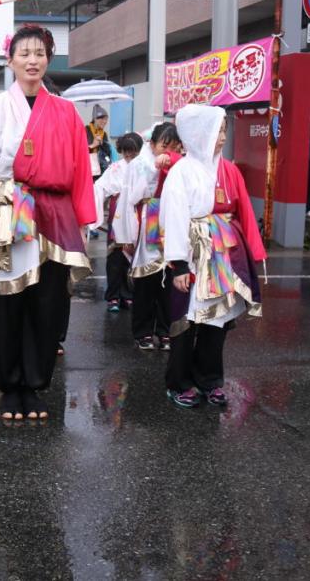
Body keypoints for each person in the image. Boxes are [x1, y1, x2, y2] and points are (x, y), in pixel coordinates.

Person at [0, 24, 96, 422]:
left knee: (48, 304)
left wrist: (84, 224)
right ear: (11, 60)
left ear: (48, 58)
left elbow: (80, 171)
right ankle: (9, 387)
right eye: (24, 54)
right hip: (10, 212)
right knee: (9, 303)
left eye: (39, 53)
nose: (32, 60)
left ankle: (36, 384)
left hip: (56, 216)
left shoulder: (66, 111)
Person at [161, 104, 266, 409]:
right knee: (187, 318)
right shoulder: (181, 171)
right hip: (195, 253)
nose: (222, 137)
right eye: (216, 131)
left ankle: (209, 379)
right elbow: (175, 218)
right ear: (198, 134)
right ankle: (178, 382)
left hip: (222, 254)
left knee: (216, 320)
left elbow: (241, 208)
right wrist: (179, 264)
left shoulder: (227, 168)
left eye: (223, 131)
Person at [117, 122, 182, 351]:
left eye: (172, 147)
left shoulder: (178, 164)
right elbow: (130, 198)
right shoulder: (139, 164)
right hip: (148, 219)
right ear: (152, 143)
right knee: (146, 282)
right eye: (164, 145)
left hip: (170, 218)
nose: (167, 151)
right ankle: (142, 331)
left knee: (170, 279)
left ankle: (164, 330)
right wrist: (126, 234)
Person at [93, 132, 143, 312]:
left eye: (132, 152)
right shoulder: (115, 168)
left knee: (132, 255)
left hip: (136, 212)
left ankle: (128, 293)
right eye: (125, 152)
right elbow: (99, 187)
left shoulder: (143, 167)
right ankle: (113, 295)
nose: (128, 155)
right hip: (118, 214)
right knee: (115, 255)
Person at [87, 104, 112, 179]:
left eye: (106, 119)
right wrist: (93, 145)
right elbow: (79, 151)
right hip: (87, 168)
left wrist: (102, 144)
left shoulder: (104, 134)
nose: (105, 121)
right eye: (102, 119)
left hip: (101, 170)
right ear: (95, 119)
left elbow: (108, 153)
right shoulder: (85, 130)